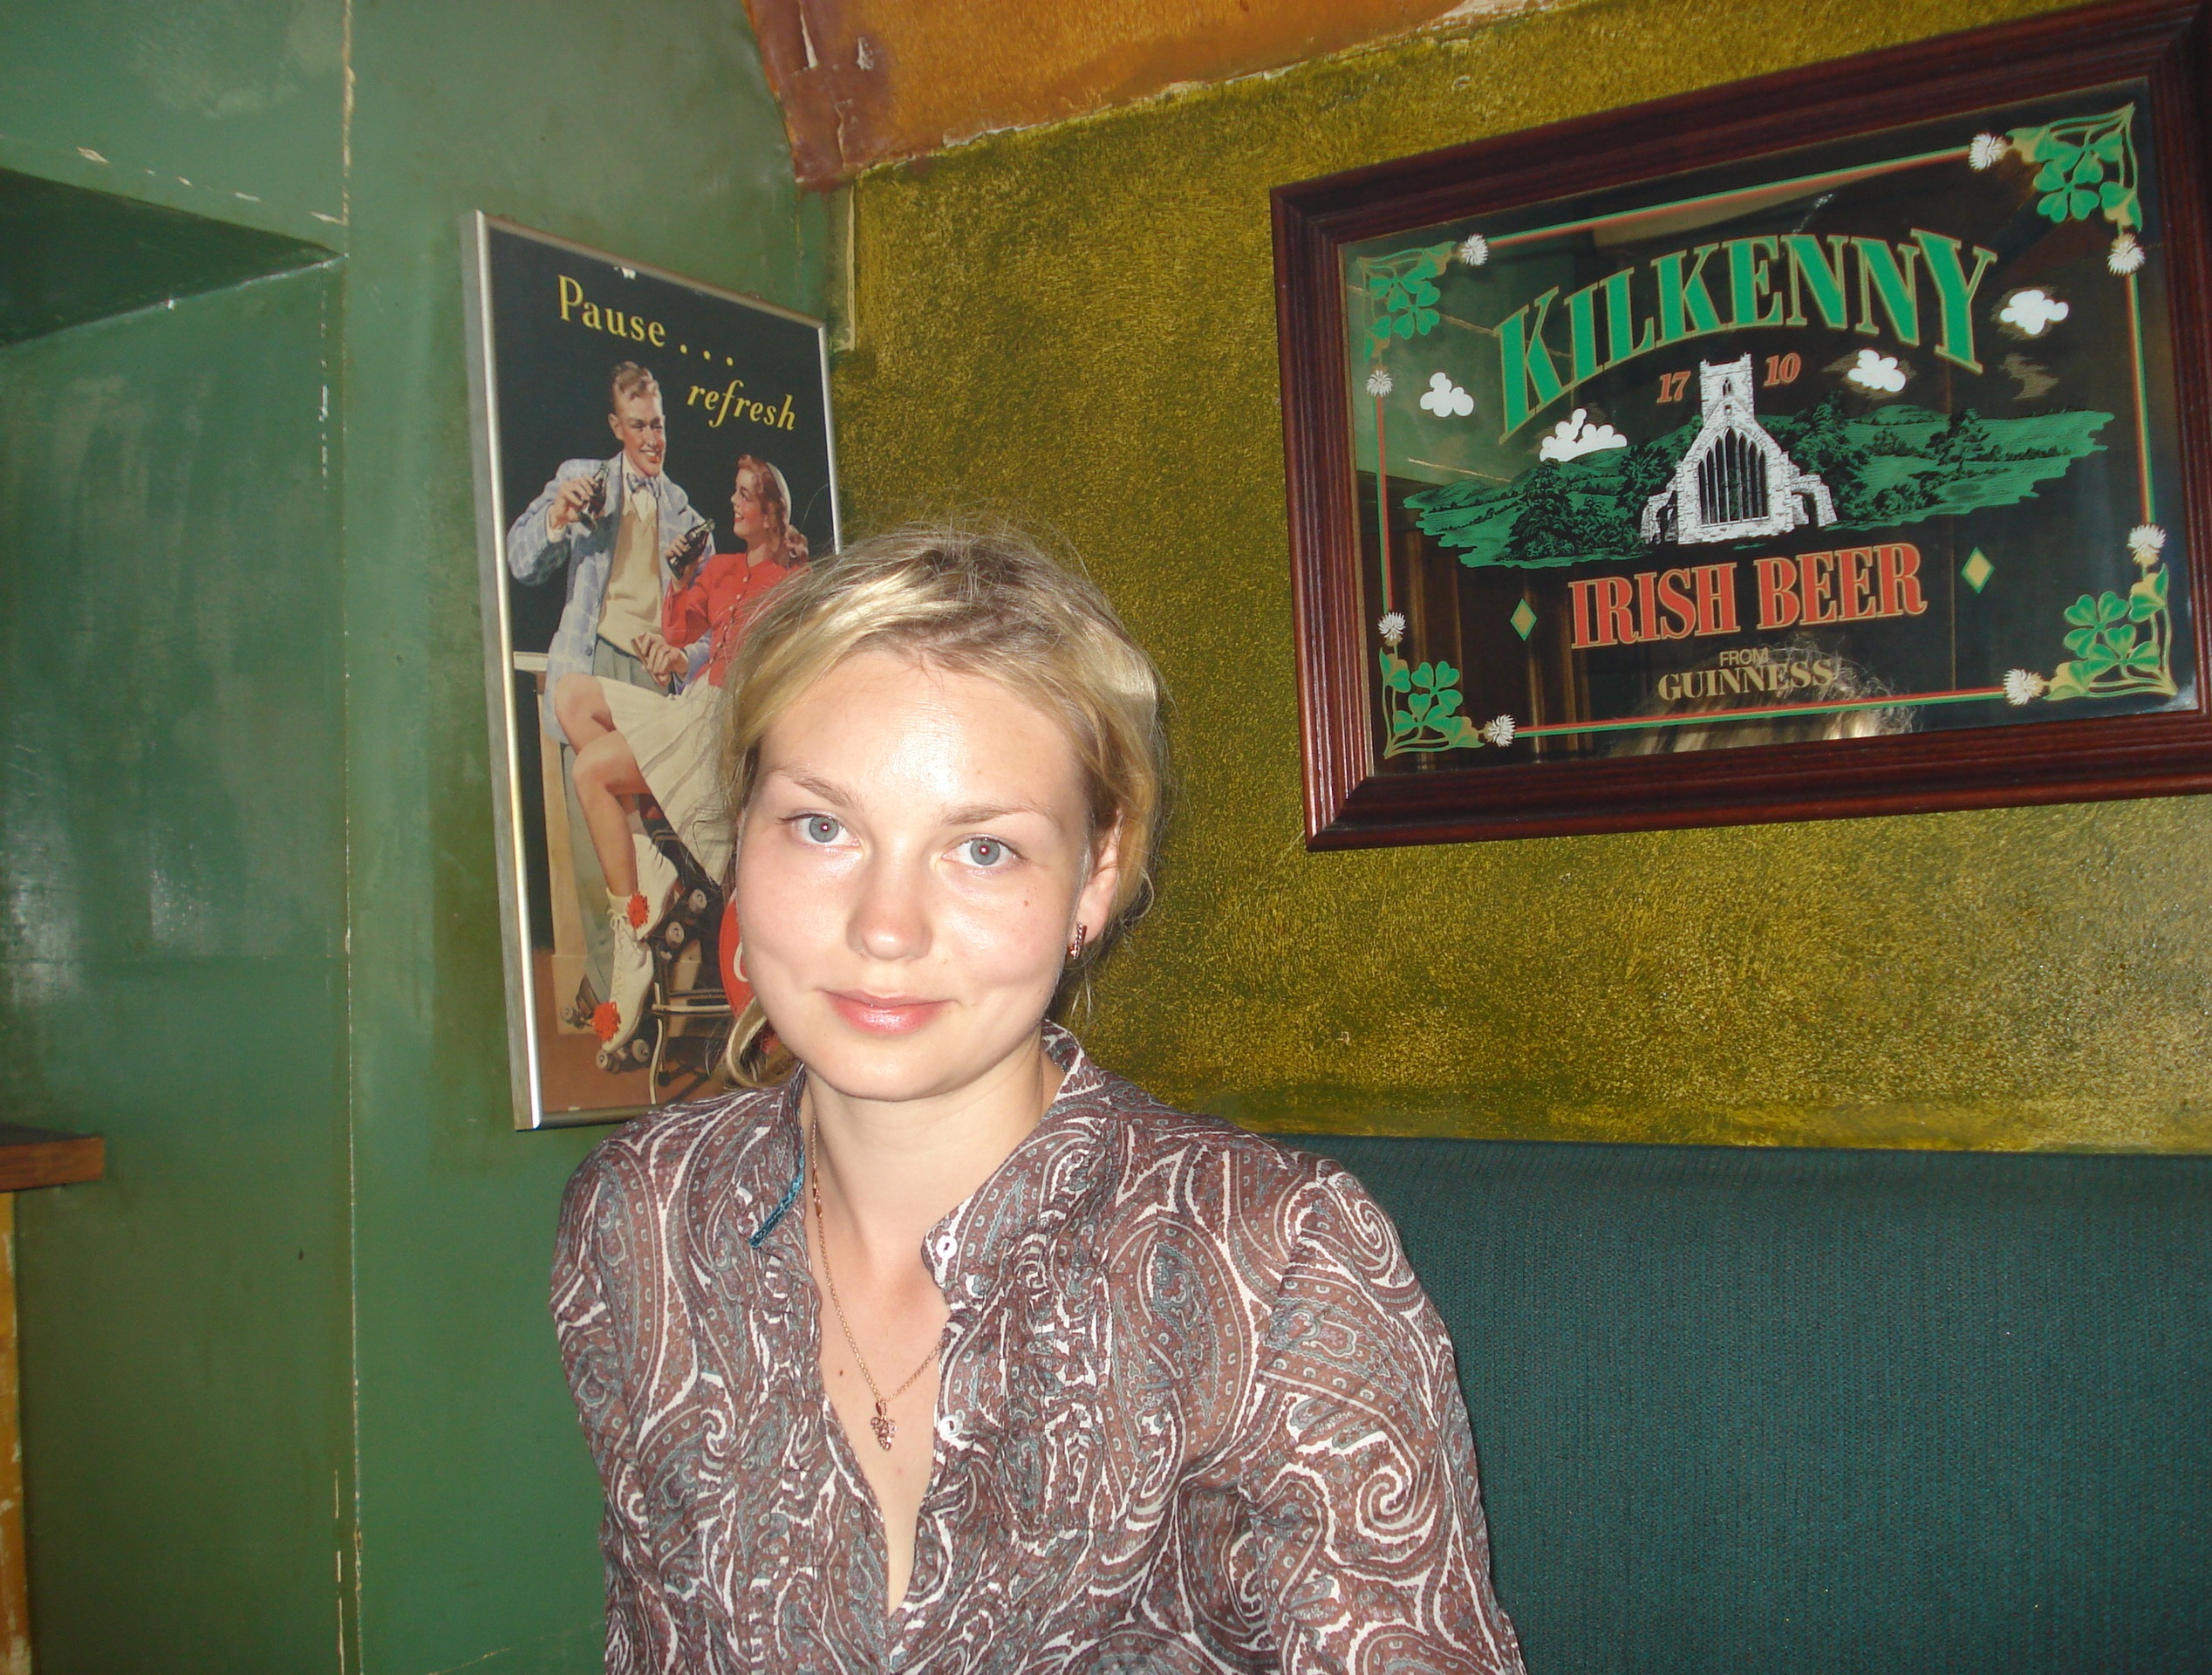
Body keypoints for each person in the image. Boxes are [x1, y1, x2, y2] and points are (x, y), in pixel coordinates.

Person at [550, 525, 1528, 1672]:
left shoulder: (1273, 1266)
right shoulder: (641, 1215)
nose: (885, 928)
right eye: (822, 826)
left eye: (983, 850)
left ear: (1094, 879)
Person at [550, 455, 809, 1050]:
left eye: (745, 496)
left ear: (771, 512)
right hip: (691, 707)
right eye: (735, 492)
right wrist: (681, 578)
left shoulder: (794, 583)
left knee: (591, 772)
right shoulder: (720, 569)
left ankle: (632, 940)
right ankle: (646, 862)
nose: (733, 503)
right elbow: (680, 636)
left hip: (726, 725)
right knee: (571, 696)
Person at [506, 362, 702, 1018]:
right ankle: (606, 992)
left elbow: (707, 615)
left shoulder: (683, 510)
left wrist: (684, 614)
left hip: (653, 684)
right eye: (639, 426)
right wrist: (558, 516)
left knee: (647, 830)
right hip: (589, 671)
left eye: (659, 425)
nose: (652, 439)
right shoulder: (581, 478)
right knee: (595, 844)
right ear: (617, 426)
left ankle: (650, 988)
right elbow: (520, 561)